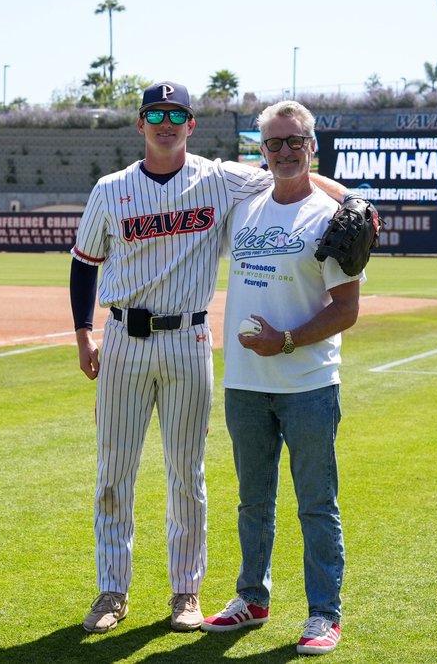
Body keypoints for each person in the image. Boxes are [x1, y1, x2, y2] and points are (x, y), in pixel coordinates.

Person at [71, 83, 348, 635]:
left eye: (177, 114)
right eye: (156, 114)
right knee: (114, 471)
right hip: (124, 334)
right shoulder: (111, 189)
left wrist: (353, 201)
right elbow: (84, 263)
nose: (166, 123)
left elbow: (290, 174)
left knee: (187, 475)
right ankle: (111, 590)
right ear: (142, 123)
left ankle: (185, 592)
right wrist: (83, 333)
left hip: (189, 339)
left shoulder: (219, 178)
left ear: (191, 124)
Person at [200, 100, 361, 656]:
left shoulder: (334, 218)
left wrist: (286, 341)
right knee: (253, 499)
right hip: (244, 381)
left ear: (312, 147)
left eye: (296, 141)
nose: (286, 151)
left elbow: (346, 310)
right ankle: (253, 598)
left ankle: (323, 614)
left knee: (316, 501)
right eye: (275, 143)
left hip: (308, 384)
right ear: (261, 151)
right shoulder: (244, 209)